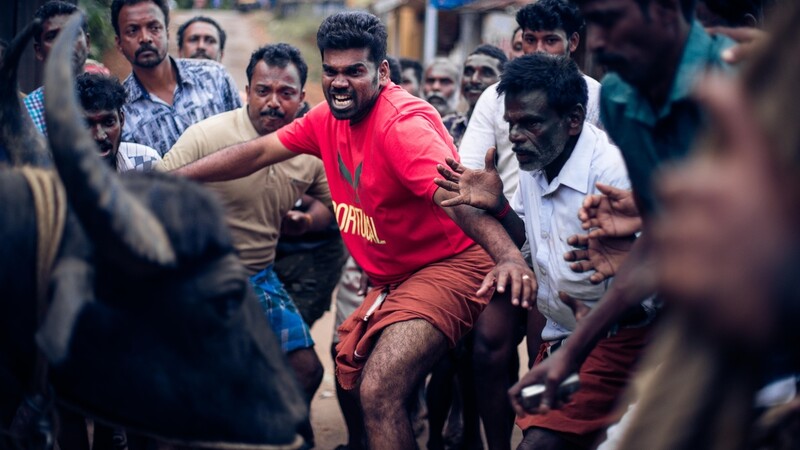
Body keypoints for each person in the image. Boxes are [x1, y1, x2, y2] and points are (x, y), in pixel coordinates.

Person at [172, 11, 534, 449]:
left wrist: (510, 256)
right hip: (396, 276)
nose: (340, 82)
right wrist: (172, 179)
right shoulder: (326, 118)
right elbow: (257, 152)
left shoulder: (401, 126)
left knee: (380, 390)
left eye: (354, 72)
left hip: (451, 264)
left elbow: (455, 202)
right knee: (355, 377)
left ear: (381, 71)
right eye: (331, 71)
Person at [508, 0, 737, 433]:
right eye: (594, 23)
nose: (599, 40)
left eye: (611, 19)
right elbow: (656, 245)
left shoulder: (743, 80)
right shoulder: (617, 99)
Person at [438, 54, 653, 450]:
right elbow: (528, 243)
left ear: (573, 119)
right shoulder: (538, 163)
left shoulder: (613, 174)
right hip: (565, 338)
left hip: (618, 340)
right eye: (511, 124)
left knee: (539, 443)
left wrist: (578, 347)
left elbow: (650, 290)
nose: (516, 136)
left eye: (531, 123)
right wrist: (499, 206)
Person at [159, 43, 325, 446]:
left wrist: (307, 220)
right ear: (246, 91)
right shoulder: (208, 135)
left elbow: (336, 205)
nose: (273, 102)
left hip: (260, 278)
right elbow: (158, 189)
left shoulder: (311, 150)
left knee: (307, 370)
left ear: (303, 98)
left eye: (286, 93)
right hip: (199, 281)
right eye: (263, 90)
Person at [458, 2, 603, 448]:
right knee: (489, 343)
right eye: (529, 41)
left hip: (577, 248)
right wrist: (506, 249)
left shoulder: (597, 104)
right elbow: (465, 187)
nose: (538, 50)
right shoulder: (498, 98)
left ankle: (542, 432)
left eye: (551, 40)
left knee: (544, 344)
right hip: (510, 231)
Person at [111, 0, 241, 156]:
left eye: (154, 28)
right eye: (132, 30)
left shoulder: (215, 77)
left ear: (166, 33)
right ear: (119, 43)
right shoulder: (121, 110)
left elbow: (245, 136)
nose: (145, 38)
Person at [24, 0, 90, 135]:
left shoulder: (112, 106)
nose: (64, 43)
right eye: (52, 36)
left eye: (72, 34)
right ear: (38, 51)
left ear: (87, 43)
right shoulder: (24, 116)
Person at [76, 73, 162, 172]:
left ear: (121, 120)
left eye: (108, 122)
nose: (100, 136)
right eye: (86, 124)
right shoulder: (58, 178)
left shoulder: (147, 163)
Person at [442, 44, 507, 148]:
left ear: (503, 81)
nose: (474, 79)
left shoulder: (509, 131)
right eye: (468, 72)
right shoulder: (444, 127)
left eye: (486, 73)